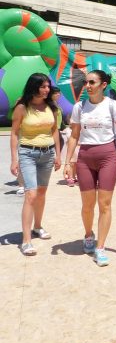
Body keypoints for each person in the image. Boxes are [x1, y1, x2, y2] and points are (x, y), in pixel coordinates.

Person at [64, 70, 116, 266]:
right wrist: (67, 162)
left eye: (92, 82)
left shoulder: (112, 105)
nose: (88, 86)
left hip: (108, 157)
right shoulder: (79, 107)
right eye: (86, 82)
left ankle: (100, 247)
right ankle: (88, 235)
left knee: (105, 204)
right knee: (87, 206)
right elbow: (74, 136)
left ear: (103, 85)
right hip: (85, 159)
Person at [9, 73, 61, 256]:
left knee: (41, 193)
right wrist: (14, 159)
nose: (47, 90)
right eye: (43, 86)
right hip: (27, 153)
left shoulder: (51, 106)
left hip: (48, 154)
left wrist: (58, 155)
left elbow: (54, 131)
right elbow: (14, 133)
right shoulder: (22, 107)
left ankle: (37, 226)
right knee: (30, 195)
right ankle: (26, 241)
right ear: (34, 87)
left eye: (48, 86)